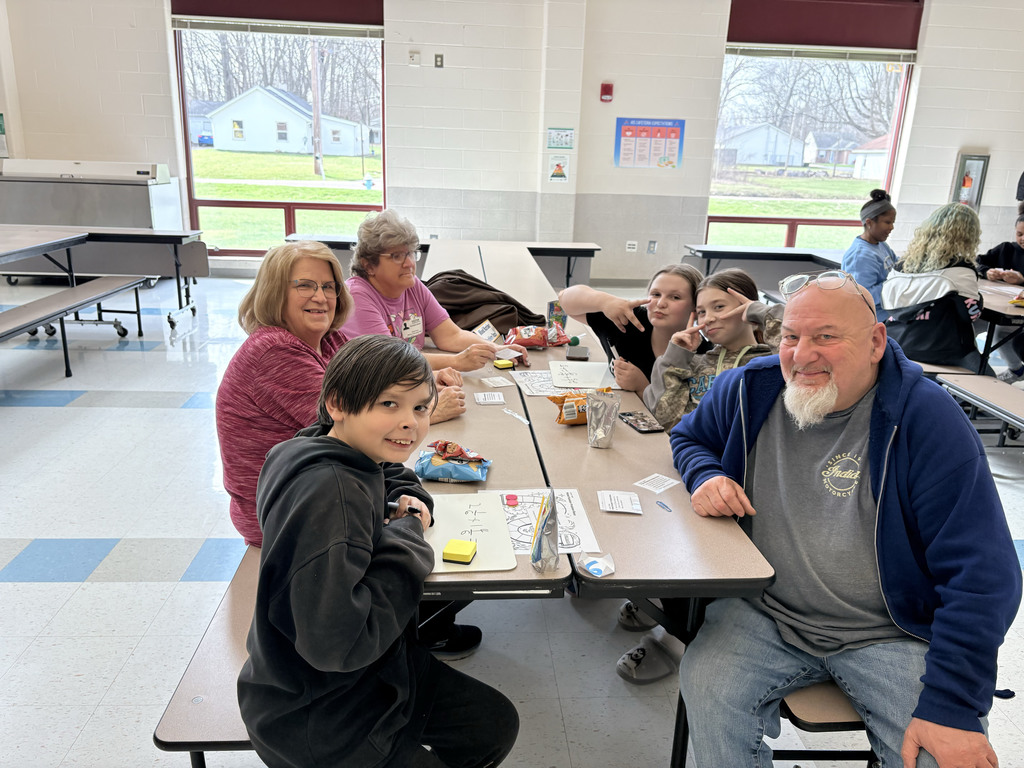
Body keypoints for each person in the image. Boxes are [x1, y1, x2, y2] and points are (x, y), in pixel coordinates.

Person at [671, 269, 1020, 767]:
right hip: (766, 615)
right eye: (791, 336)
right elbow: (688, 438)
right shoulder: (752, 389)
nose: (802, 355)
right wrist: (705, 476)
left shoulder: (928, 420)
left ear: (877, 341)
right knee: (707, 693)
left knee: (941, 757)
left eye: (826, 338)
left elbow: (985, 577)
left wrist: (953, 703)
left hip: (891, 631)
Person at [238, 335, 519, 768]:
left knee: (492, 724)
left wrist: (410, 499)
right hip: (327, 716)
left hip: (370, 673)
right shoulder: (331, 495)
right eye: (389, 404)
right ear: (338, 403)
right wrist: (408, 534)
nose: (410, 423)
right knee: (486, 730)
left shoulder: (314, 444)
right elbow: (339, 645)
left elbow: (385, 470)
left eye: (421, 407)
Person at [216, 241, 466, 548]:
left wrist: (404, 490)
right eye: (305, 286)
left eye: (329, 286)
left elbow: (363, 426)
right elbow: (358, 431)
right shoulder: (276, 352)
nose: (320, 297)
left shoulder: (328, 340)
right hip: (288, 515)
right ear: (275, 291)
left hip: (327, 491)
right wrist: (429, 410)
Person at [615, 269, 782, 684]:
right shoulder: (701, 360)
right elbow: (661, 415)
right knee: (651, 525)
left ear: (748, 306)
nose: (707, 319)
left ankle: (675, 637)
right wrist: (675, 357)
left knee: (701, 550)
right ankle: (658, 599)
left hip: (742, 476)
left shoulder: (775, 358)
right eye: (702, 311)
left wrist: (758, 311)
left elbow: (792, 326)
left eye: (720, 307)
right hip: (688, 466)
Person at [343, 209, 529, 372]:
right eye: (396, 256)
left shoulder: (412, 286)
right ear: (369, 266)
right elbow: (390, 361)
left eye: (410, 253)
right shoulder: (357, 297)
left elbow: (451, 336)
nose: (409, 263)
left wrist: (494, 349)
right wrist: (457, 361)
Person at [557, 263, 706, 395]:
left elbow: (684, 419)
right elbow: (565, 299)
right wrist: (605, 301)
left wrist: (642, 387)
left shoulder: (705, 356)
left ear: (696, 306)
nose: (660, 303)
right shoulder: (628, 320)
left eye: (675, 297)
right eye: (655, 294)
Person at [881, 203, 989, 372]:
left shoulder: (901, 266)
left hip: (895, 342)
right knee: (989, 379)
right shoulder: (961, 269)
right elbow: (972, 315)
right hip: (939, 350)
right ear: (969, 236)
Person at [977, 201, 1024, 382]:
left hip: (1016, 313)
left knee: (999, 333)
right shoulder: (1006, 248)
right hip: (997, 303)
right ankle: (973, 368)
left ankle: (1016, 369)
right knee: (968, 324)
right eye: (1019, 234)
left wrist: (1021, 280)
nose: (1022, 239)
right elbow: (978, 262)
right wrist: (986, 272)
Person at [841, 188, 897, 319]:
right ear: (869, 222)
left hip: (889, 313)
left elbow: (896, 264)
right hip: (873, 320)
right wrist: (896, 284)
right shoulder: (861, 256)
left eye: (893, 222)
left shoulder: (881, 244)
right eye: (887, 222)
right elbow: (861, 296)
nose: (891, 227)